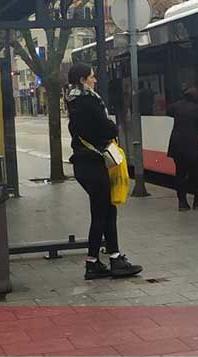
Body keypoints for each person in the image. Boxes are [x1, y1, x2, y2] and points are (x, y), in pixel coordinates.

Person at [66, 64, 143, 281]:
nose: (95, 80)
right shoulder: (88, 103)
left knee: (105, 212)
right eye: (92, 77)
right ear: (83, 80)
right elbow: (108, 129)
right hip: (93, 164)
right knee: (103, 214)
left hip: (85, 164)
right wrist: (111, 125)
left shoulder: (74, 102)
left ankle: (108, 259)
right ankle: (100, 262)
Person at [167, 81, 198, 211]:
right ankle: (197, 201)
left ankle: (182, 203)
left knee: (180, 174)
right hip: (192, 147)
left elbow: (168, 111)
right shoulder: (197, 109)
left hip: (176, 146)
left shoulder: (176, 106)